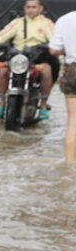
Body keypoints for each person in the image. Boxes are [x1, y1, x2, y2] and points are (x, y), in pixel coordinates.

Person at [0, 0, 55, 120]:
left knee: (47, 70)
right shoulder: (17, 22)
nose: (31, 10)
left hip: (38, 56)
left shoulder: (46, 23)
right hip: (17, 56)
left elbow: (54, 38)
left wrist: (54, 46)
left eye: (34, 7)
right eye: (28, 7)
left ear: (40, 9)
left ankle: (43, 105)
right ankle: (1, 103)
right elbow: (4, 33)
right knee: (2, 70)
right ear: (24, 8)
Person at [50, 10, 76, 161]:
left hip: (72, 70)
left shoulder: (65, 19)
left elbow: (54, 50)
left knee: (73, 122)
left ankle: (70, 164)